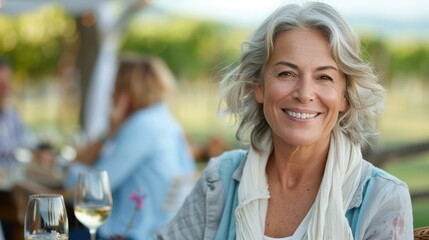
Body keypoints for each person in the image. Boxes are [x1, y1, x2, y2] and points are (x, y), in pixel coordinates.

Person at [155, 2, 413, 240]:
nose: (304, 93)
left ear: (345, 96)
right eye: (287, 73)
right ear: (258, 86)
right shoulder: (219, 182)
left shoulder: (382, 198)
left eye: (324, 77)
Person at [64, 54, 196, 240]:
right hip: (160, 232)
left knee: (43, 229)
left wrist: (67, 168)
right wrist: (110, 131)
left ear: (127, 91)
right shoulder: (167, 121)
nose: (110, 94)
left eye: (116, 86)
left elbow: (92, 192)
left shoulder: (141, 126)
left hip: (130, 235)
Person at [0, 58, 36, 164]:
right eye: (1, 83)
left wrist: (41, 149)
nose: (4, 87)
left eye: (6, 81)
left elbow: (28, 140)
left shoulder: (11, 113)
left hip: (14, 175)